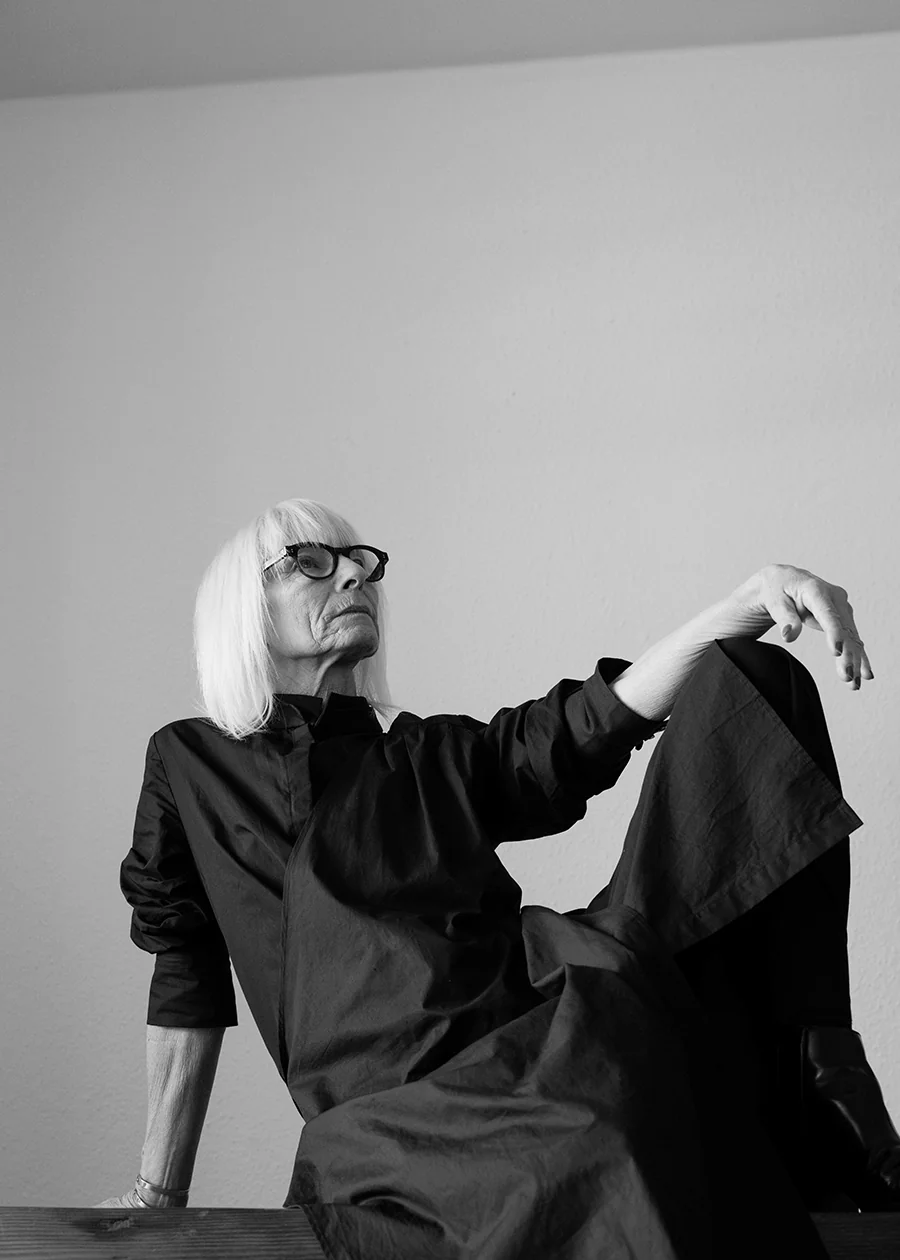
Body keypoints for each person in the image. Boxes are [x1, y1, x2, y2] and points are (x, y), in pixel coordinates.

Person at [96, 496, 899, 1260]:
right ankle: (788, 1107)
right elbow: (187, 973)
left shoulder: (423, 752)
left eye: (361, 563)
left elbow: (585, 726)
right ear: (243, 605)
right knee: (593, 1137)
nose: (353, 577)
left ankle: (826, 1070)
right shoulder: (188, 762)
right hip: (395, 1109)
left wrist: (744, 603)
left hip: (545, 1015)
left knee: (755, 677)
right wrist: (156, 1191)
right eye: (310, 561)